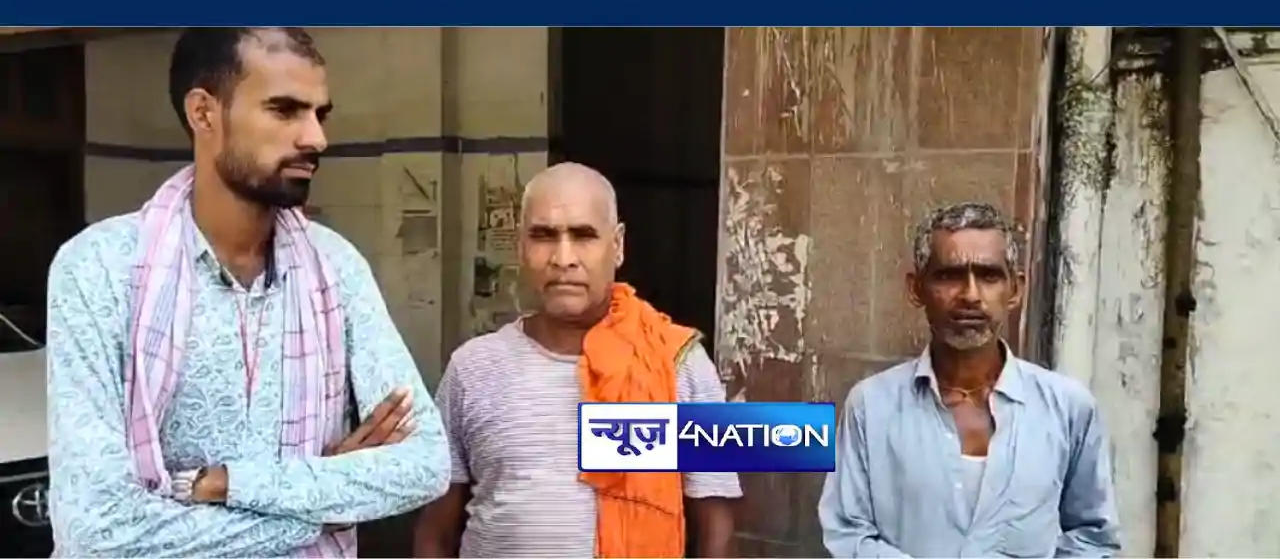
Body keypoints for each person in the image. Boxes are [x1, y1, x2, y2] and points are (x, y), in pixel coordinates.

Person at [46, 27, 451, 557]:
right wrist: (322, 508)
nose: (316, 138)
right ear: (204, 113)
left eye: (320, 114)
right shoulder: (101, 268)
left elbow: (425, 464)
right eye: (285, 111)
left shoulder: (335, 267)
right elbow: (99, 534)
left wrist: (226, 484)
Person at [412, 162, 741, 558]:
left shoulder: (677, 363)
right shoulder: (472, 369)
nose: (563, 257)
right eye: (543, 236)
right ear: (520, 246)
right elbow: (436, 532)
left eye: (584, 236)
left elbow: (716, 531)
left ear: (617, 245)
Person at [818, 201, 1121, 558]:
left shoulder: (1068, 408)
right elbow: (848, 533)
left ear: (1015, 289)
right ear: (916, 289)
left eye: (989, 276)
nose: (971, 295)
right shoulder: (871, 406)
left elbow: (1093, 536)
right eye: (949, 276)